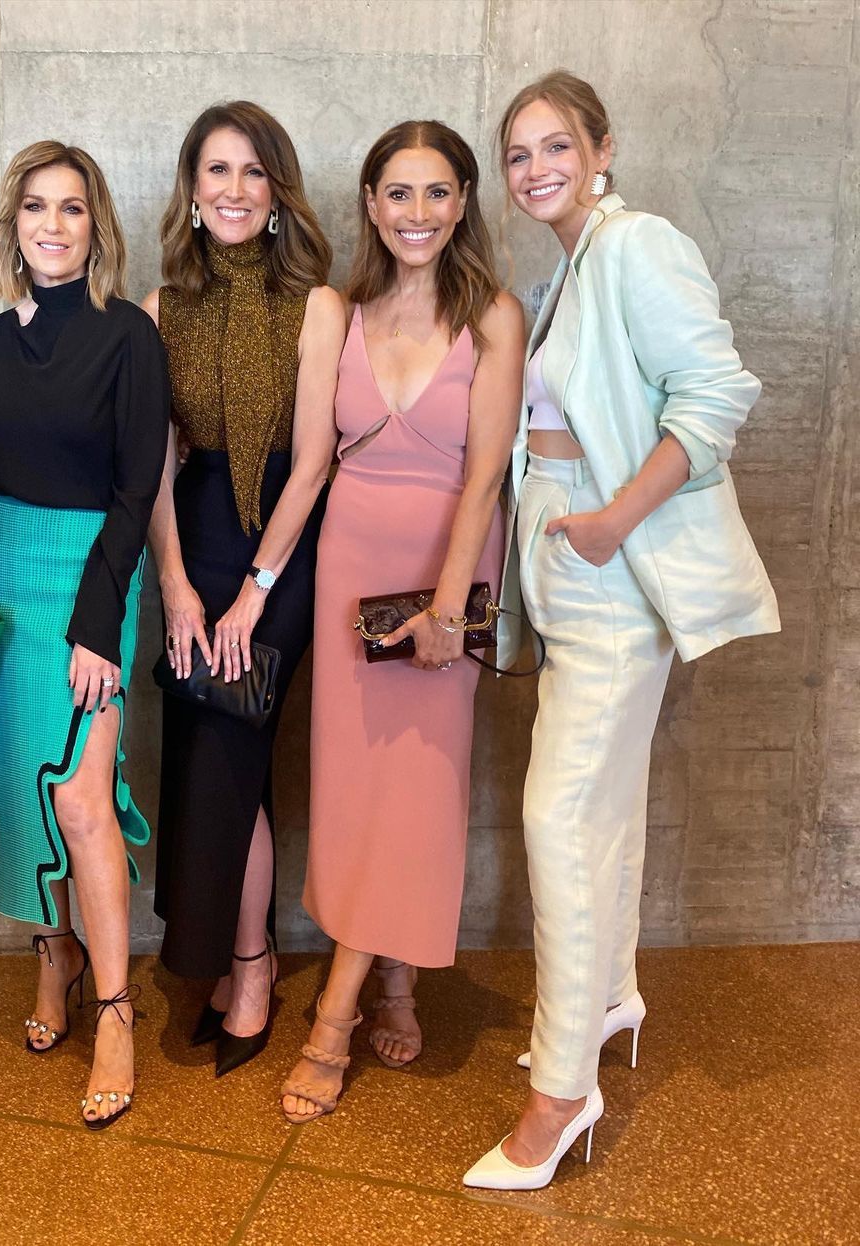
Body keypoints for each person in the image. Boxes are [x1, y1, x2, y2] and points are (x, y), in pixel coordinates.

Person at [463, 71, 780, 1190]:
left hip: (608, 567)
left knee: (556, 813)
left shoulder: (639, 244)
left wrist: (609, 521)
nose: (536, 167)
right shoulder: (570, 265)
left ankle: (562, 1092)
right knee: (602, 802)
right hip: (569, 566)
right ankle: (607, 998)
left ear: (602, 149)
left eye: (557, 145)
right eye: (519, 154)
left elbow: (718, 395)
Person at [0, 141, 169, 1131]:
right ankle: (53, 954)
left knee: (83, 801)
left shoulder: (129, 335)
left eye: (73, 207)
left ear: (98, 228)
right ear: (13, 225)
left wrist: (99, 625)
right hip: (3, 576)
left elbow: (138, 489)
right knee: (22, 792)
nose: (54, 224)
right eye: (37, 207)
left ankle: (116, 1010)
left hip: (91, 576)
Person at [281, 120, 524, 1123]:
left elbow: (486, 475)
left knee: (416, 792)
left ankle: (333, 1017)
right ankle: (393, 981)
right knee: (354, 792)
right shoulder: (338, 313)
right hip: (350, 569)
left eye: (436, 192)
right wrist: (254, 583)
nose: (416, 212)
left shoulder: (495, 315)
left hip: (446, 576)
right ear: (370, 204)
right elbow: (311, 465)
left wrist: (445, 607)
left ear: (463, 202)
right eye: (397, 192)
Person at [142, 102, 344, 1077]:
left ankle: (251, 963)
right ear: (192, 188)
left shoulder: (316, 303)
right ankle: (225, 953)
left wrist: (255, 592)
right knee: (204, 746)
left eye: (253, 171)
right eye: (217, 170)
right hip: (191, 538)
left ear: (278, 191)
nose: (234, 189)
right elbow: (153, 461)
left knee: (232, 745)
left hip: (282, 551)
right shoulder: (158, 308)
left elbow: (313, 463)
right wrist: (177, 585)